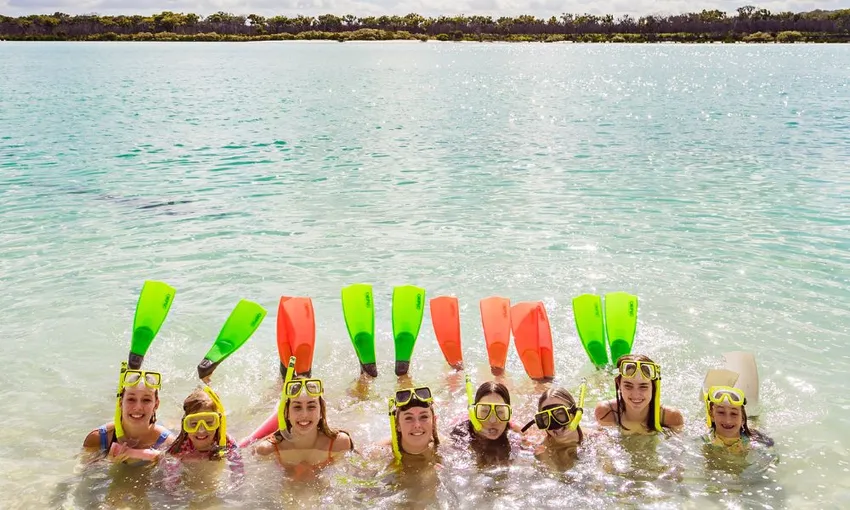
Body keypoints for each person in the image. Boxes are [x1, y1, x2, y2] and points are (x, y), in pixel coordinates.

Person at [253, 377, 353, 478]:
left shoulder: (339, 443)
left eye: (311, 407)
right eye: (297, 407)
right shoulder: (268, 450)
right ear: (287, 412)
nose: (304, 414)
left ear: (321, 411)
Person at [82, 369, 174, 465]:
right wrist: (109, 463)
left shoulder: (167, 443)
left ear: (156, 405)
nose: (138, 407)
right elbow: (82, 474)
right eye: (131, 399)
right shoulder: (98, 439)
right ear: (120, 403)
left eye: (146, 400)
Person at [165, 386, 244, 484]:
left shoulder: (224, 441)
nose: (201, 430)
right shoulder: (181, 446)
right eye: (193, 424)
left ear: (219, 422)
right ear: (185, 424)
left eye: (209, 422)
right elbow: (170, 475)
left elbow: (238, 469)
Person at [594, 354, 684, 435]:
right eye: (628, 386)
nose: (636, 394)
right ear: (618, 384)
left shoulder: (670, 417)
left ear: (654, 386)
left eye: (643, 386)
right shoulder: (606, 412)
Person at [450, 381, 518, 465]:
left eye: (500, 412)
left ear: (508, 413)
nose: (493, 420)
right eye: (485, 411)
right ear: (474, 413)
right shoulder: (460, 434)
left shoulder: (514, 432)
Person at [522, 386, 584, 470]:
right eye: (546, 418)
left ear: (575, 413)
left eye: (560, 414)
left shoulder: (596, 437)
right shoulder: (543, 451)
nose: (555, 425)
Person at [702, 385, 774, 453]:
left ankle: (752, 419)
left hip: (749, 429)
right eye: (721, 412)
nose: (728, 421)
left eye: (734, 413)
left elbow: (772, 459)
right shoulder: (705, 438)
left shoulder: (754, 442)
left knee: (753, 423)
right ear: (712, 415)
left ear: (742, 418)